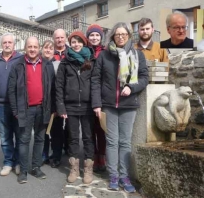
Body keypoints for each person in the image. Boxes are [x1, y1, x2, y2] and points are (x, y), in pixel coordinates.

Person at [91, 22, 149, 193]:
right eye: (117, 34)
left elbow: (144, 77)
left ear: (129, 36)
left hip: (128, 104)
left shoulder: (138, 55)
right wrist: (96, 103)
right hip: (109, 104)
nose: (121, 37)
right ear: (113, 37)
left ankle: (124, 176)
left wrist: (132, 87)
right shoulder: (104, 56)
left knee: (125, 142)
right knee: (111, 141)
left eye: (124, 34)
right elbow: (95, 80)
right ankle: (113, 175)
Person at [8, 37, 55, 184]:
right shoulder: (17, 65)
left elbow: (52, 88)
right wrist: (15, 110)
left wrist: (52, 108)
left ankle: (36, 167)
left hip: (43, 108)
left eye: (35, 46)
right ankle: (23, 171)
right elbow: (11, 90)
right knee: (23, 140)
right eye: (30, 46)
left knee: (40, 139)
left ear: (39, 48)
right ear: (25, 48)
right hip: (25, 110)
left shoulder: (47, 65)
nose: (33, 49)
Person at [55, 31, 95, 184]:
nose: (76, 44)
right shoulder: (65, 62)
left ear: (84, 43)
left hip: (87, 106)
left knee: (88, 137)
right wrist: (61, 107)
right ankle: (74, 168)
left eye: (79, 42)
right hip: (70, 106)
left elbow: (95, 83)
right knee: (72, 137)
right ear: (70, 44)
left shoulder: (92, 60)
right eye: (73, 42)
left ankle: (88, 168)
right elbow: (59, 85)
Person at [0, 33, 23, 176]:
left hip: (17, 105)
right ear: (1, 44)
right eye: (5, 42)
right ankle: (8, 162)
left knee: (19, 134)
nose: (7, 44)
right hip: (1, 104)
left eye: (10, 42)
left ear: (14, 44)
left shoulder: (20, 59)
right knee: (5, 136)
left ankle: (18, 162)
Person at [86, 24, 106, 172]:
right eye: (92, 35)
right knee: (89, 129)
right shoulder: (84, 52)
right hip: (86, 95)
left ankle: (102, 157)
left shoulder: (105, 52)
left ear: (101, 37)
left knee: (102, 129)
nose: (94, 38)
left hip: (102, 95)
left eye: (97, 35)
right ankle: (92, 156)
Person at [50, 29, 69, 168]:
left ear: (65, 38)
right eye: (57, 38)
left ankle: (68, 149)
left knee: (70, 126)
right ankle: (56, 155)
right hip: (54, 95)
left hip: (70, 95)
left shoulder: (71, 52)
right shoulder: (49, 54)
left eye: (62, 37)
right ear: (53, 39)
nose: (60, 40)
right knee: (56, 127)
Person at [40, 40, 57, 165]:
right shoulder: (38, 63)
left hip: (54, 103)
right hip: (42, 104)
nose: (48, 50)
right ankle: (44, 154)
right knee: (43, 132)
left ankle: (56, 156)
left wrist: (57, 106)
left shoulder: (57, 64)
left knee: (56, 131)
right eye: (46, 48)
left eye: (50, 48)